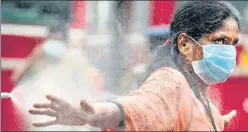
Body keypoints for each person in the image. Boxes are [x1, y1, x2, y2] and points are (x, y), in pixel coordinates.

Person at [29, 1, 242, 131]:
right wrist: (94, 114)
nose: (229, 51)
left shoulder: (205, 104)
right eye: (220, 41)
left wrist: (215, 122)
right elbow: (139, 107)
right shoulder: (171, 81)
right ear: (185, 44)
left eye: (233, 43)